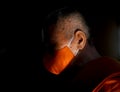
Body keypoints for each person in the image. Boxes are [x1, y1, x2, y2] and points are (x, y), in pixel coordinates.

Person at [36, 7, 120, 92]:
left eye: (52, 47)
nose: (46, 59)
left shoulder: (113, 84)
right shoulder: (80, 83)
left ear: (80, 40)